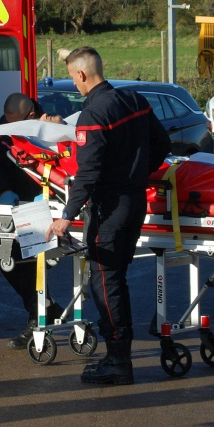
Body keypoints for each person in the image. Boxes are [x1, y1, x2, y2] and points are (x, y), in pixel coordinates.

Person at [46, 47, 171, 385]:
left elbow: (88, 172)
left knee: (105, 283)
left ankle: (119, 361)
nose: (74, 85)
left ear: (82, 76)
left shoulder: (93, 115)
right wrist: (138, 173)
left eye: (73, 78)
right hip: (134, 201)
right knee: (114, 278)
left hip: (109, 209)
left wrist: (66, 215)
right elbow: (162, 144)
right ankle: (117, 356)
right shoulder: (134, 99)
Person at [0, 92, 64, 350]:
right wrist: (4, 190)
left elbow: (64, 164)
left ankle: (37, 319)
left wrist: (48, 196)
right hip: (16, 203)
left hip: (44, 204)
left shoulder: (50, 128)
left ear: (30, 115)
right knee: (5, 259)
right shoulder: (4, 132)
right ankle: (44, 308)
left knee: (35, 261)